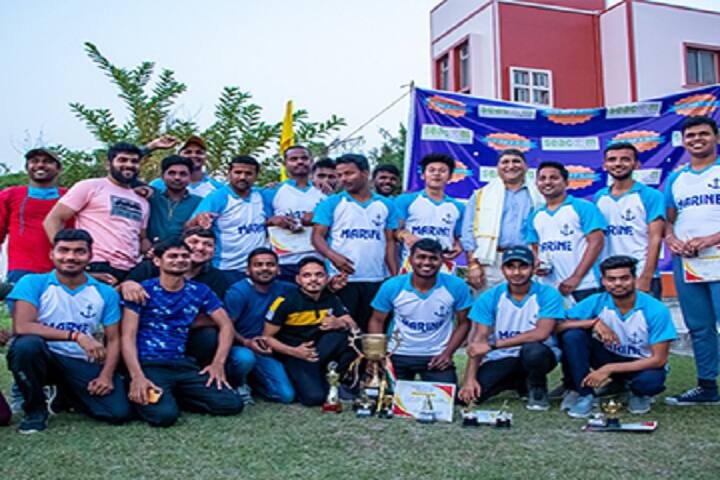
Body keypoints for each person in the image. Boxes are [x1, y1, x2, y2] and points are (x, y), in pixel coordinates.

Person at [7, 229, 131, 433]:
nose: (71, 257)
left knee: (117, 413)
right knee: (26, 346)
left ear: (90, 256)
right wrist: (76, 336)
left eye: (79, 251)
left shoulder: (105, 292)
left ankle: (65, 395)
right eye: (63, 250)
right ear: (51, 254)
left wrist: (106, 376)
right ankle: (35, 411)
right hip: (44, 357)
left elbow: (114, 339)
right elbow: (22, 326)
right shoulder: (33, 282)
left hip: (79, 361)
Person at [121, 239, 243, 427]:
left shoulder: (200, 291)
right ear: (157, 261)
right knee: (164, 416)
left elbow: (226, 325)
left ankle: (173, 394)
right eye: (172, 256)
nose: (180, 260)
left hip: (181, 363)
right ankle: (152, 393)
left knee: (231, 404)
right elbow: (127, 336)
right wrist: (137, 376)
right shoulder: (142, 291)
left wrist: (217, 364)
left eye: (184, 256)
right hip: (149, 364)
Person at [559, 256, 677, 417]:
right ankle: (584, 394)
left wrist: (610, 368)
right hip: (608, 355)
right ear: (603, 281)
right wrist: (592, 323)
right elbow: (556, 326)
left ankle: (638, 393)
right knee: (572, 336)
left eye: (624, 278)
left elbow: (659, 359)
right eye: (611, 279)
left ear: (634, 279)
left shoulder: (656, 309)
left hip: (642, 363)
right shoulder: (597, 301)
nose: (618, 284)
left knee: (649, 383)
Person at [459, 246, 564, 411]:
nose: (516, 272)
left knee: (533, 350)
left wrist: (494, 345)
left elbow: (541, 333)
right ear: (502, 269)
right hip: (502, 357)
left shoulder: (548, 294)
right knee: (470, 397)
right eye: (510, 267)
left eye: (523, 266)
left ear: (534, 268)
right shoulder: (489, 297)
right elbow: (479, 341)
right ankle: (515, 382)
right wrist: (469, 380)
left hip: (539, 354)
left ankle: (537, 388)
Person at [664, 115, 720, 406]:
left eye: (703, 134)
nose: (697, 139)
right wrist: (671, 239)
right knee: (699, 326)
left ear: (716, 137)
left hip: (717, 256)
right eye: (691, 136)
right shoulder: (677, 179)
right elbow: (669, 221)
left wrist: (711, 239)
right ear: (684, 142)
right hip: (690, 263)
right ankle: (707, 386)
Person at [312, 153, 399, 330]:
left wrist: (395, 276)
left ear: (365, 173)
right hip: (341, 279)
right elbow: (317, 237)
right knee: (343, 329)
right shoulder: (331, 203)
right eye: (340, 175)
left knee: (372, 330)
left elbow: (390, 242)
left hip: (376, 278)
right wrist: (333, 257)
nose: (343, 179)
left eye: (349, 173)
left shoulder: (386, 205)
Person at [44, 142, 150, 285]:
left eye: (134, 161)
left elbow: (142, 237)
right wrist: (68, 255)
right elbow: (53, 220)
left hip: (130, 270)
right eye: (122, 160)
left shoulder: (142, 201)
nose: (129, 165)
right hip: (96, 265)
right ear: (108, 164)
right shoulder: (90, 186)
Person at [368, 239, 472, 383]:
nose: (427, 263)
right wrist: (377, 355)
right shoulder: (392, 286)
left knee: (444, 396)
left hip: (436, 356)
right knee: (383, 394)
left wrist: (447, 353)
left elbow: (464, 323)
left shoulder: (457, 286)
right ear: (410, 259)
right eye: (421, 257)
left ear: (442, 261)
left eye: (433, 258)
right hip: (397, 353)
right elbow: (377, 320)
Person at [263, 257, 357, 406]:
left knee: (349, 339)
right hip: (293, 353)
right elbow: (266, 338)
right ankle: (304, 378)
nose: (313, 279)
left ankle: (339, 381)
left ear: (326, 278)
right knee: (314, 398)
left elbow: (355, 328)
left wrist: (340, 323)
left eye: (319, 275)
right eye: (307, 275)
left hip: (318, 351)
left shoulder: (331, 298)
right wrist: (295, 352)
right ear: (298, 279)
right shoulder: (285, 301)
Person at [461, 149, 543, 292]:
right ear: (497, 168)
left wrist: (540, 257)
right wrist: (473, 264)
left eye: (516, 161)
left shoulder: (539, 195)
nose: (511, 166)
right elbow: (468, 231)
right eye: (505, 162)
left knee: (527, 303)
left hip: (529, 259)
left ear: (526, 166)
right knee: (487, 303)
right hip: (491, 260)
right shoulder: (481, 195)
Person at [525, 161, 606, 302]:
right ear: (537, 184)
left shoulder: (583, 207)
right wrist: (538, 266)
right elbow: (536, 248)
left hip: (584, 285)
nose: (547, 182)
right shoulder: (535, 215)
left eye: (554, 178)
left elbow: (597, 243)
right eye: (542, 178)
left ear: (566, 183)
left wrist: (577, 277)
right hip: (549, 288)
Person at [224, 247, 296, 404]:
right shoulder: (238, 292)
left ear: (278, 269)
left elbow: (311, 292)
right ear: (248, 270)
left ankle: (255, 383)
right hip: (240, 346)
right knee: (245, 358)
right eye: (258, 265)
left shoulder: (287, 289)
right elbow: (226, 326)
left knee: (286, 395)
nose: (265, 268)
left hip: (268, 349)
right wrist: (246, 342)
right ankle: (237, 383)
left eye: (270, 264)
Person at [595, 143, 665, 299]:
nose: (618, 164)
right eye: (612, 160)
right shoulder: (599, 197)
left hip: (639, 274)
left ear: (636, 164)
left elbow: (655, 238)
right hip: (609, 277)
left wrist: (646, 277)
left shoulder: (651, 195)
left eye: (625, 159)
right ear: (604, 165)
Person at [188, 155, 270, 282]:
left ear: (256, 176)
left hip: (256, 268)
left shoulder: (261, 195)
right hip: (226, 267)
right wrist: (198, 220)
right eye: (238, 172)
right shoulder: (218, 197)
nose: (242, 177)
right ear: (229, 174)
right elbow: (189, 228)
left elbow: (268, 221)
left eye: (248, 173)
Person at [0, 148, 68, 283]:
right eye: (34, 161)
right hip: (22, 268)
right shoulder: (10, 195)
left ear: (58, 169)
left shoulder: (71, 196)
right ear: (27, 167)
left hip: (64, 267)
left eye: (47, 162)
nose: (40, 165)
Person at [264, 146, 326, 282]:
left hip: (316, 261)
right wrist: (273, 220)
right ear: (285, 164)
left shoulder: (324, 192)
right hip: (284, 261)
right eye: (294, 159)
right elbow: (261, 222)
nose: (300, 162)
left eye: (304, 158)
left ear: (311, 161)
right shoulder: (272, 191)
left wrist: (317, 218)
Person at [394, 154, 464, 273]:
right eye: (432, 170)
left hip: (444, 267)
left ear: (450, 176)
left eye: (442, 171)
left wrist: (459, 246)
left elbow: (458, 237)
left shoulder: (458, 207)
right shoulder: (405, 201)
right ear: (423, 175)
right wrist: (405, 235)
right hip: (412, 266)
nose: (436, 174)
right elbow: (393, 231)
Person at [146, 155, 201, 243]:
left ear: (190, 177)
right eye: (172, 173)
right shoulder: (151, 197)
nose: (177, 177)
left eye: (183, 174)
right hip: (150, 249)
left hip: (183, 251)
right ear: (162, 176)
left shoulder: (199, 203)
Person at [149, 136, 224, 197]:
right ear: (179, 155)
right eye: (188, 152)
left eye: (199, 152)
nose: (193, 155)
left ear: (205, 157)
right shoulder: (158, 185)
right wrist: (151, 146)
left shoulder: (218, 189)